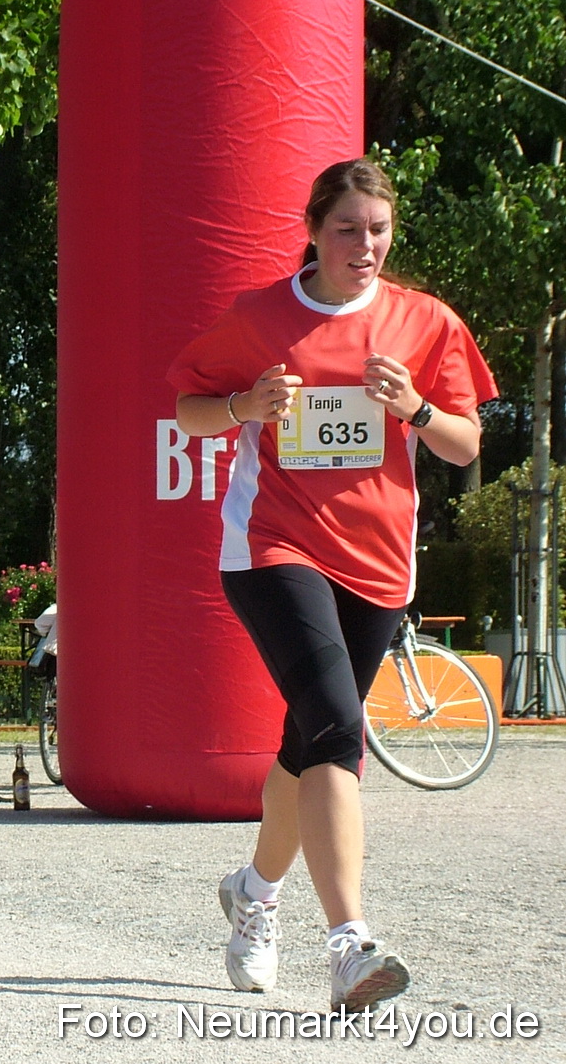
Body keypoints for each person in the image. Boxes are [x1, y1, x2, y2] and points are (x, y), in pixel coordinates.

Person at [168, 159, 495, 1013]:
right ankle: (349, 944)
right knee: (338, 728)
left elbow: (464, 444)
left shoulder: (423, 322)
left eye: (378, 229)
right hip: (272, 547)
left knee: (307, 739)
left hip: (378, 561)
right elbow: (187, 407)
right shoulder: (260, 316)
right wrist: (244, 405)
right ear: (312, 230)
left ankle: (253, 890)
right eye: (347, 228)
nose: (365, 245)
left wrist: (416, 408)